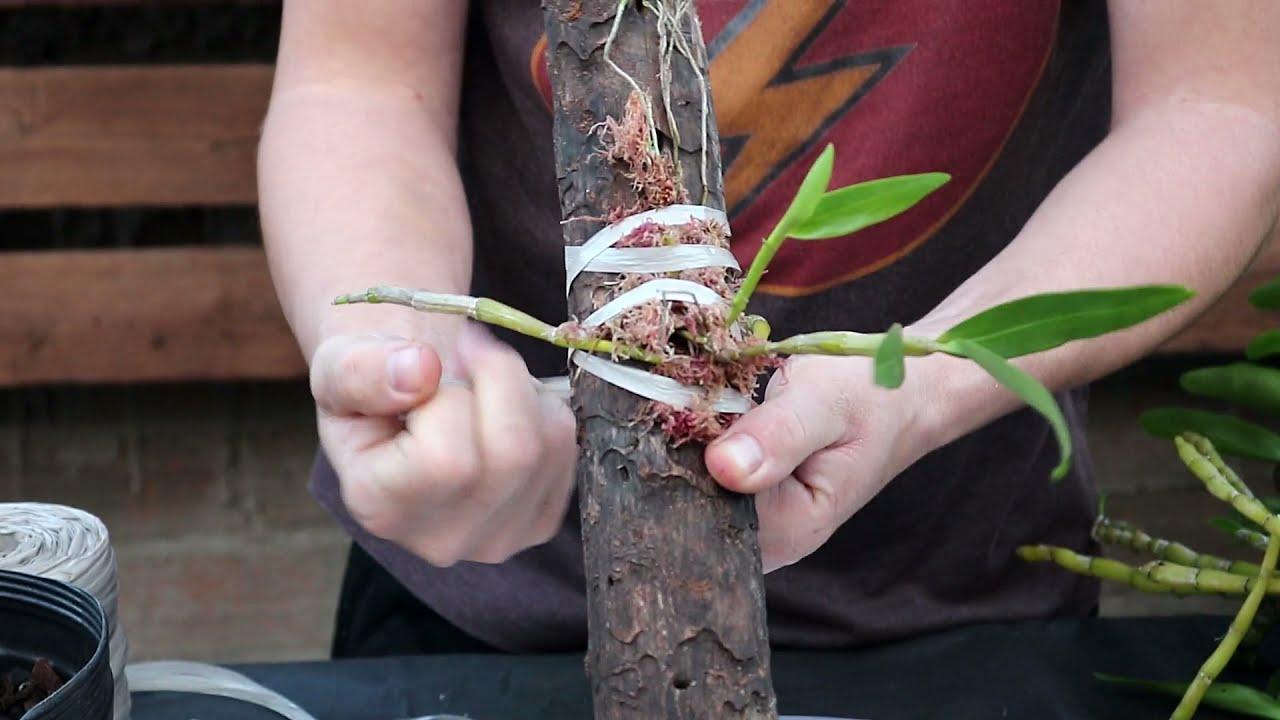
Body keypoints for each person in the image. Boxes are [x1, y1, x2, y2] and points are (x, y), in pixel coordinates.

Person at [257, 1, 1280, 658]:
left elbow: (1215, 101)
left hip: (950, 591)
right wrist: (408, 347)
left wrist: (920, 385)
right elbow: (357, 81)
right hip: (486, 592)